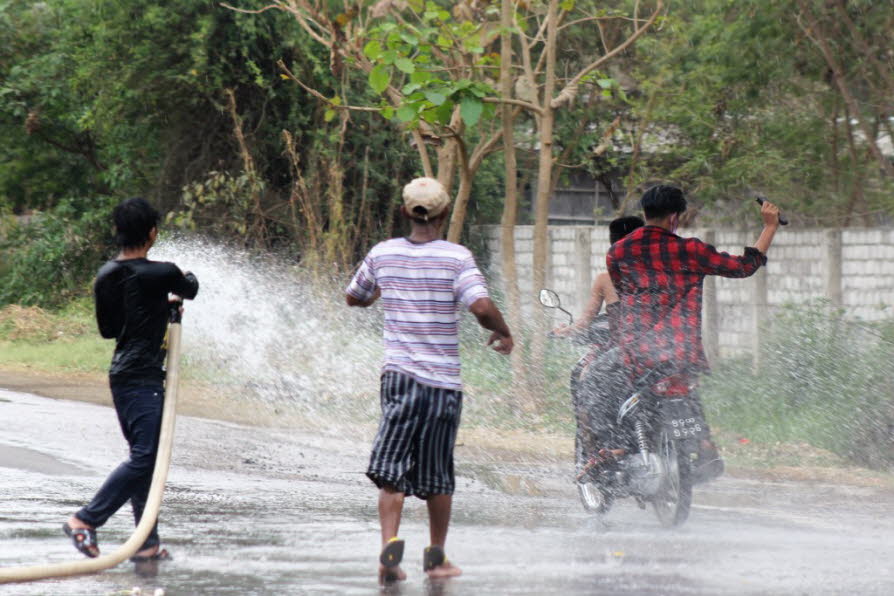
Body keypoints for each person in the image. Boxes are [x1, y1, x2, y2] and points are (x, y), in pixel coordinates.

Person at [346, 177, 513, 585]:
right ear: (443, 214)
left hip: (399, 378)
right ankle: (436, 558)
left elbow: (353, 296)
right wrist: (504, 331)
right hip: (443, 384)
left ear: (405, 211)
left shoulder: (383, 253)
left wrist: (378, 295)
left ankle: (389, 550)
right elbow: (482, 306)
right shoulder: (456, 258)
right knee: (438, 472)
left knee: (391, 470)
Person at [606, 185, 780, 478]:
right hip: (681, 353)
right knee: (685, 389)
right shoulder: (690, 250)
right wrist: (770, 227)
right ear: (675, 218)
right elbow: (744, 267)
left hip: (636, 354)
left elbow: (623, 293)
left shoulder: (618, 252)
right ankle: (705, 445)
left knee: (611, 388)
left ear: (645, 213)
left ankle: (618, 449)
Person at [63, 197, 199, 563]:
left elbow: (110, 330)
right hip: (143, 377)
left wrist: (157, 308)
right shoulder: (162, 272)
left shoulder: (106, 274)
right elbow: (190, 286)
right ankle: (85, 519)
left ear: (117, 232)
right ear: (152, 233)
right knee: (145, 457)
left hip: (122, 375)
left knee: (145, 458)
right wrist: (169, 297)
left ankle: (147, 543)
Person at [552, 217, 644, 477]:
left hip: (626, 352)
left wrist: (562, 331)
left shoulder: (607, 279)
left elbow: (584, 323)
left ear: (614, 244)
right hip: (666, 349)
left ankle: (609, 449)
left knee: (588, 381)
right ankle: (705, 444)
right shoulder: (662, 272)